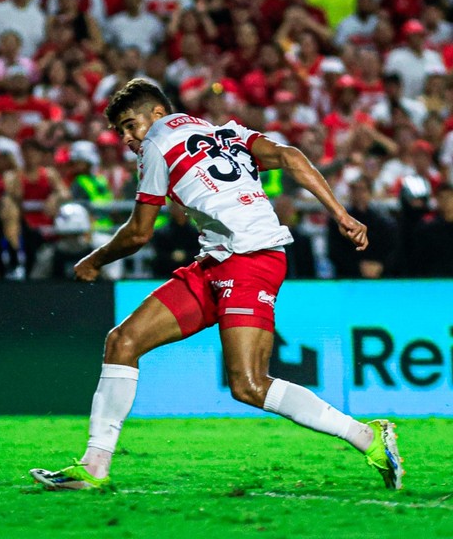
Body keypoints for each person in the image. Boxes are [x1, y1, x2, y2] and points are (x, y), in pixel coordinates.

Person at [30, 79, 403, 492]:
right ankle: (93, 466)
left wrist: (93, 260)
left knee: (248, 384)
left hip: (251, 258)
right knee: (123, 341)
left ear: (157, 114)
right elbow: (291, 156)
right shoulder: (226, 133)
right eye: (120, 131)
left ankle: (367, 437)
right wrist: (341, 214)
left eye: (130, 125)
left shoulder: (157, 141)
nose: (127, 137)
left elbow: (139, 233)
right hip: (217, 261)